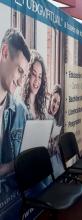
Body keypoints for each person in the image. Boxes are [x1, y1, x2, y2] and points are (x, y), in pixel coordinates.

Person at [0, 28, 30, 200]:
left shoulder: (21, 111)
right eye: (19, 71)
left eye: (24, 75)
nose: (20, 81)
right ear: (4, 52)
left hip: (14, 198)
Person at [23, 50, 47, 120]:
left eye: (39, 76)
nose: (37, 80)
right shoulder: (19, 106)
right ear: (28, 75)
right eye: (34, 74)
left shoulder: (41, 107)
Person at [48, 84, 63, 155]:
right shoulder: (43, 117)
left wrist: (55, 144)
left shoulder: (56, 121)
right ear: (50, 98)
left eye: (58, 103)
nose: (55, 106)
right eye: (54, 101)